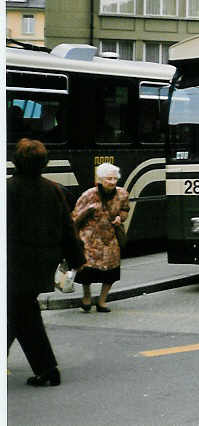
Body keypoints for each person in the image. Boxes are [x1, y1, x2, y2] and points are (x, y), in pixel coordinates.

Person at [7, 138, 86, 387]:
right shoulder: (54, 190)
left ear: (16, 161)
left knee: (15, 313)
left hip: (11, 264)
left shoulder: (8, 190)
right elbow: (67, 229)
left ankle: (48, 369)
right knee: (22, 314)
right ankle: (48, 370)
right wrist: (77, 259)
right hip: (40, 265)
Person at [72, 163, 130, 313]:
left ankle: (102, 301)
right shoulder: (89, 195)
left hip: (110, 238)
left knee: (111, 272)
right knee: (87, 270)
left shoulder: (122, 194)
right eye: (108, 178)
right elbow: (76, 216)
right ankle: (87, 296)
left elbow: (125, 210)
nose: (112, 182)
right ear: (100, 179)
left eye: (114, 178)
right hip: (90, 238)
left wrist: (119, 218)